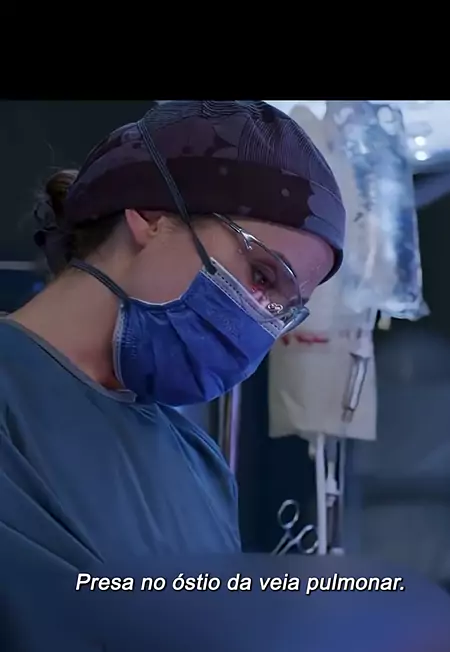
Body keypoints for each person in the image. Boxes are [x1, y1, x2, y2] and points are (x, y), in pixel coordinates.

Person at [0, 100, 345, 565]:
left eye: (285, 308)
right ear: (150, 215)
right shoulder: (13, 400)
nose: (261, 315)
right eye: (262, 275)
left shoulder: (198, 466)